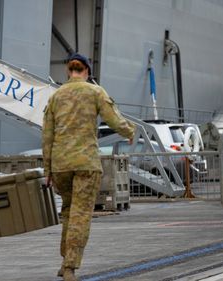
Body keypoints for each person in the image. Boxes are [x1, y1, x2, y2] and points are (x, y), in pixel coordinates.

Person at [42, 53, 135, 281]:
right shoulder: (95, 92)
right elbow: (114, 120)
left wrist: (48, 170)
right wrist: (130, 131)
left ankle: (64, 261)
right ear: (87, 71)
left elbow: (47, 136)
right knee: (81, 214)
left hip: (61, 165)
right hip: (85, 164)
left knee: (68, 211)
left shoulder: (56, 96)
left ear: (69, 71)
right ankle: (70, 266)